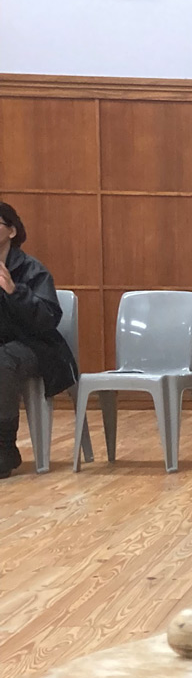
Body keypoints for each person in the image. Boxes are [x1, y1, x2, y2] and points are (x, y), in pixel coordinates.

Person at [0, 201, 77, 477]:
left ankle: (5, 446)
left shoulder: (32, 269)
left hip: (35, 347)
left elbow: (47, 319)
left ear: (11, 231)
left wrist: (14, 291)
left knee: (2, 361)